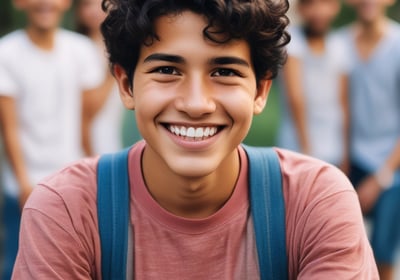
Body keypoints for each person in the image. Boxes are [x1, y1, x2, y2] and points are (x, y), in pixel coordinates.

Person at [12, 0, 378, 279]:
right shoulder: (66, 211)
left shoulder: (315, 202)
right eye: (167, 70)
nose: (196, 104)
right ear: (126, 85)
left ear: (261, 90)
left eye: (224, 71)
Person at [0, 0, 102, 278]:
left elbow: (85, 122)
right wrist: (22, 182)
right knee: (18, 264)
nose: (45, 2)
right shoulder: (6, 53)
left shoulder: (80, 51)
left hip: (71, 182)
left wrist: (91, 170)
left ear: (66, 3)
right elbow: (8, 127)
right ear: (19, 3)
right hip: (25, 183)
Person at [339, 0, 400, 278]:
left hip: (392, 164)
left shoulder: (397, 45)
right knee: (341, 251)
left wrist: (380, 178)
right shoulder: (338, 44)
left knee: (382, 252)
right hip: (347, 161)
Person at [278, 0, 350, 171]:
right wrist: (306, 148)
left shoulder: (339, 46)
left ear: (335, 7)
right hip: (297, 147)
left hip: (333, 148)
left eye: (325, 4)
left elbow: (343, 102)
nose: (318, 11)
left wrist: (346, 153)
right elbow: (295, 98)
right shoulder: (292, 42)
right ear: (301, 9)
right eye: (311, 5)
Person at [75, 0, 130, 155]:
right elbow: (88, 110)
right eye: (87, 4)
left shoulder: (130, 44)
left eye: (101, 4)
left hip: (118, 126)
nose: (94, 11)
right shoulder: (77, 49)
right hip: (91, 133)